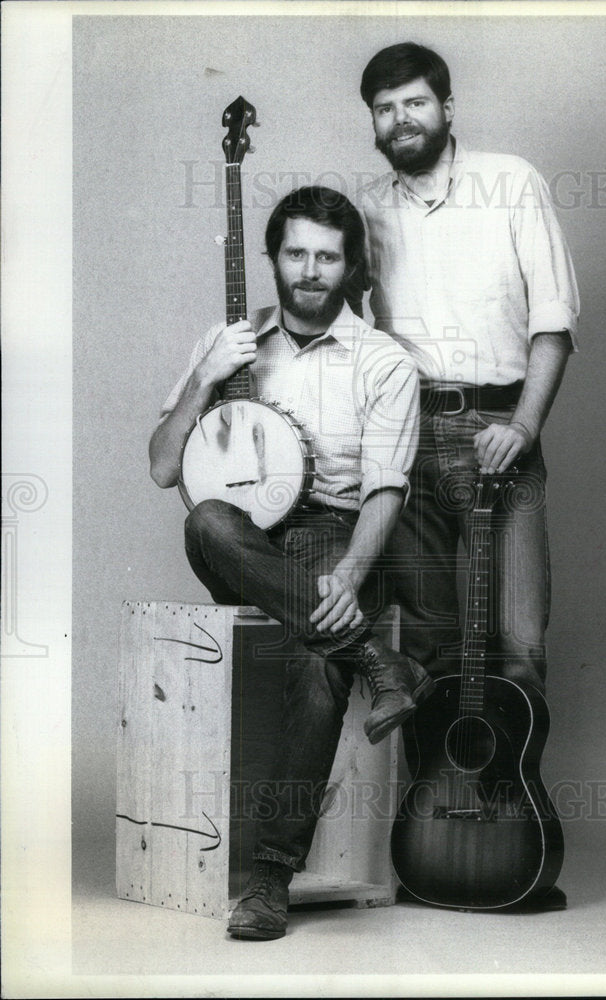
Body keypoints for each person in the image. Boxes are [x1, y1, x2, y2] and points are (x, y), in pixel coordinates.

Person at [148, 186, 430, 939]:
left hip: (329, 530)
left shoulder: (383, 361)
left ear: (350, 267)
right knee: (208, 520)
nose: (310, 270)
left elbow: (384, 490)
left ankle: (269, 878)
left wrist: (349, 574)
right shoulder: (232, 340)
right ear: (273, 257)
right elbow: (161, 468)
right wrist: (207, 374)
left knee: (317, 660)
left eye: (327, 256)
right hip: (242, 537)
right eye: (296, 252)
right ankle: (377, 656)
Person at [358, 43, 580, 907]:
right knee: (434, 650)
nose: (400, 120)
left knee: (519, 647)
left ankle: (506, 841)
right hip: (406, 441)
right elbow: (337, 322)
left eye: (414, 103)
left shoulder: (511, 181)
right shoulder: (369, 212)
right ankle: (438, 844)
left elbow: (554, 320)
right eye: (383, 108)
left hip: (499, 434)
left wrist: (522, 426)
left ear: (448, 107)